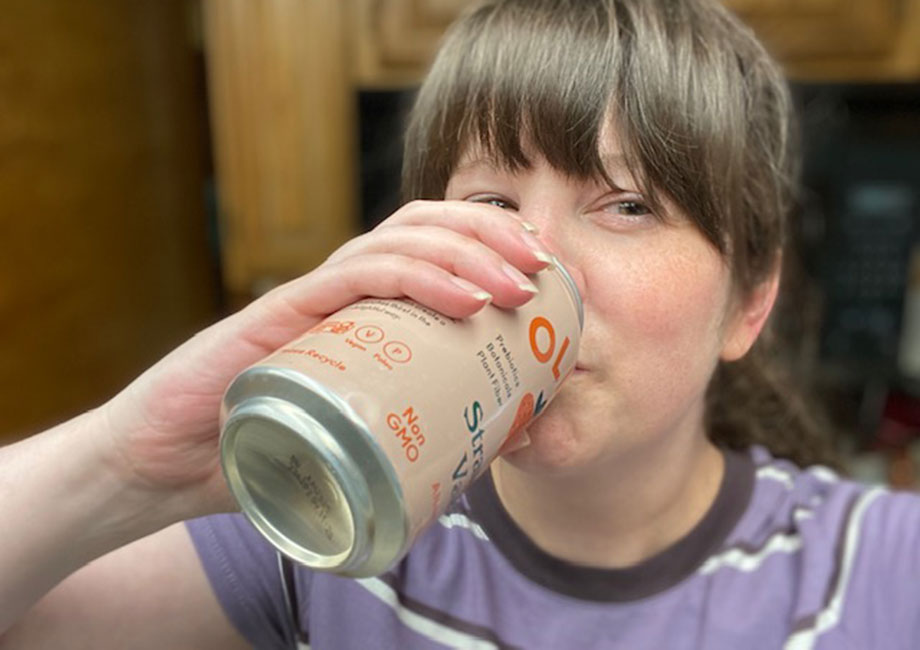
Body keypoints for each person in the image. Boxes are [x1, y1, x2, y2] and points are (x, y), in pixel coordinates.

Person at [2, 0, 918, 647]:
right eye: (490, 197)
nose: (531, 267)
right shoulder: (321, 528)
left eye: (629, 205)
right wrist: (127, 464)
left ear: (749, 300)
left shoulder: (879, 571)